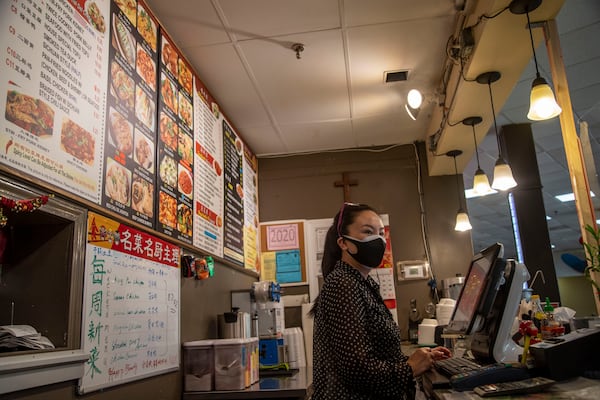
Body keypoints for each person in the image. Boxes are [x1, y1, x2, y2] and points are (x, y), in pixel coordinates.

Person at [311, 202, 450, 400]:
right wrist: (409, 368)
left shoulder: (361, 283)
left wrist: (416, 359)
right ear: (343, 243)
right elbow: (357, 369)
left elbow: (376, 355)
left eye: (381, 233)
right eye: (368, 232)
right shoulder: (343, 283)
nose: (378, 240)